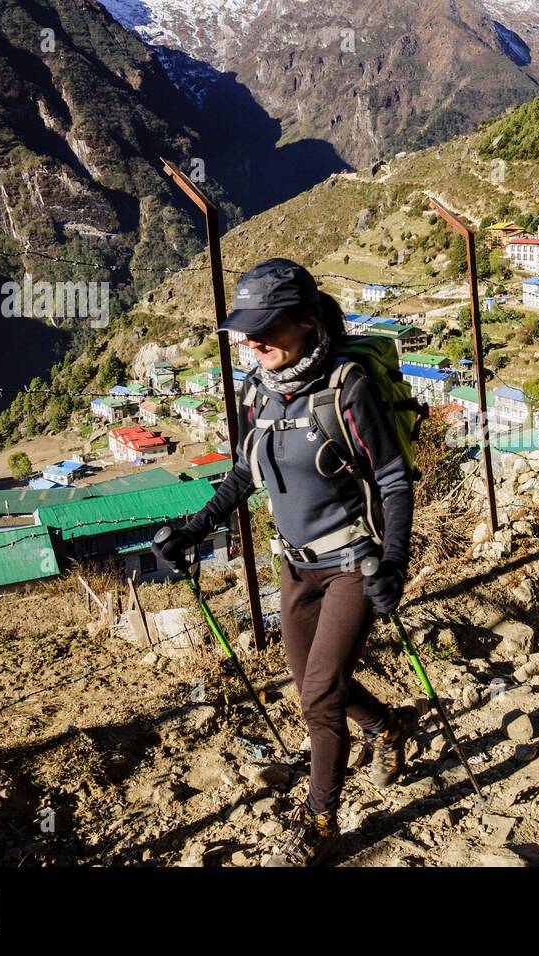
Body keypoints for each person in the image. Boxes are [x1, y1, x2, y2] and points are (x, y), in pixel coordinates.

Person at [152, 258, 416, 866]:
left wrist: (394, 560)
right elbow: (246, 471)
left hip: (355, 563)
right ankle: (389, 727)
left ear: (304, 320)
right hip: (294, 568)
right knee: (315, 686)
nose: (250, 339)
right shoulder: (257, 390)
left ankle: (321, 820)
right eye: (244, 328)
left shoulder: (347, 385)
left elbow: (394, 478)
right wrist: (193, 530)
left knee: (318, 697)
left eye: (264, 325)